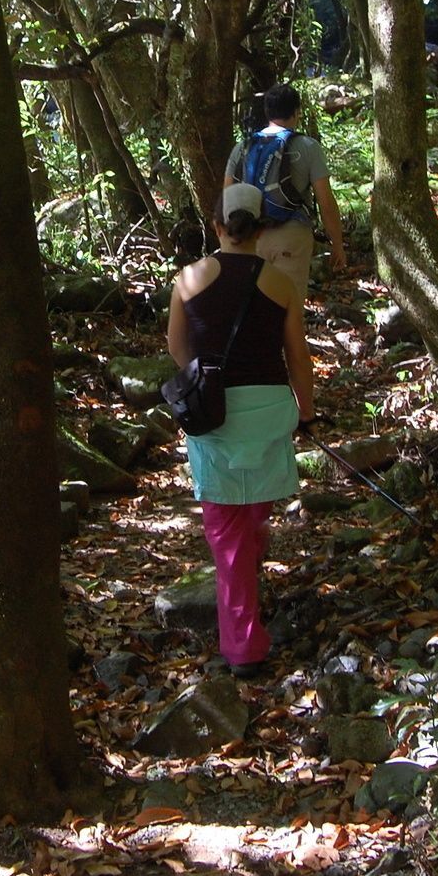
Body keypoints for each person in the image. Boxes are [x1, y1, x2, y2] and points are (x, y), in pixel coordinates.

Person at [166, 182, 317, 676]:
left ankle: (244, 648)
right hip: (270, 412)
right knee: (249, 519)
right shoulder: (281, 285)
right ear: (261, 229)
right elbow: (298, 357)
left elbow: (177, 349)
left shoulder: (188, 279)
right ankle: (247, 604)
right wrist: (308, 412)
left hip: (215, 418)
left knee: (227, 533)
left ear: (217, 225)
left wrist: (206, 383)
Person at [223, 83, 347, 296]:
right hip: (291, 236)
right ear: (297, 112)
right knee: (289, 310)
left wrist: (229, 242)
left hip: (250, 237)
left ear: (267, 111)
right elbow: (326, 202)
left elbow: (227, 197)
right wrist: (337, 244)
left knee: (252, 309)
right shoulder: (308, 147)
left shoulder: (242, 147)